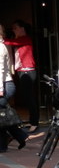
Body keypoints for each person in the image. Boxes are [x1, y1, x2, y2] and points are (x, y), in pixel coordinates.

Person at [4, 20, 39, 132]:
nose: (13, 30)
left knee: (29, 97)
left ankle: (34, 122)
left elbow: (11, 43)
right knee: (27, 97)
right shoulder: (20, 39)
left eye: (15, 28)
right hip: (22, 71)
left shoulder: (25, 39)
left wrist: (2, 39)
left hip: (27, 71)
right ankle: (32, 121)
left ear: (22, 28)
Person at [0, 24, 28, 152]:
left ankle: (2, 146)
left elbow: (0, 70)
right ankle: (20, 136)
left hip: (4, 85)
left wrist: (0, 89)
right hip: (5, 84)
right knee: (2, 115)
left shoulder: (0, 47)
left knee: (1, 116)